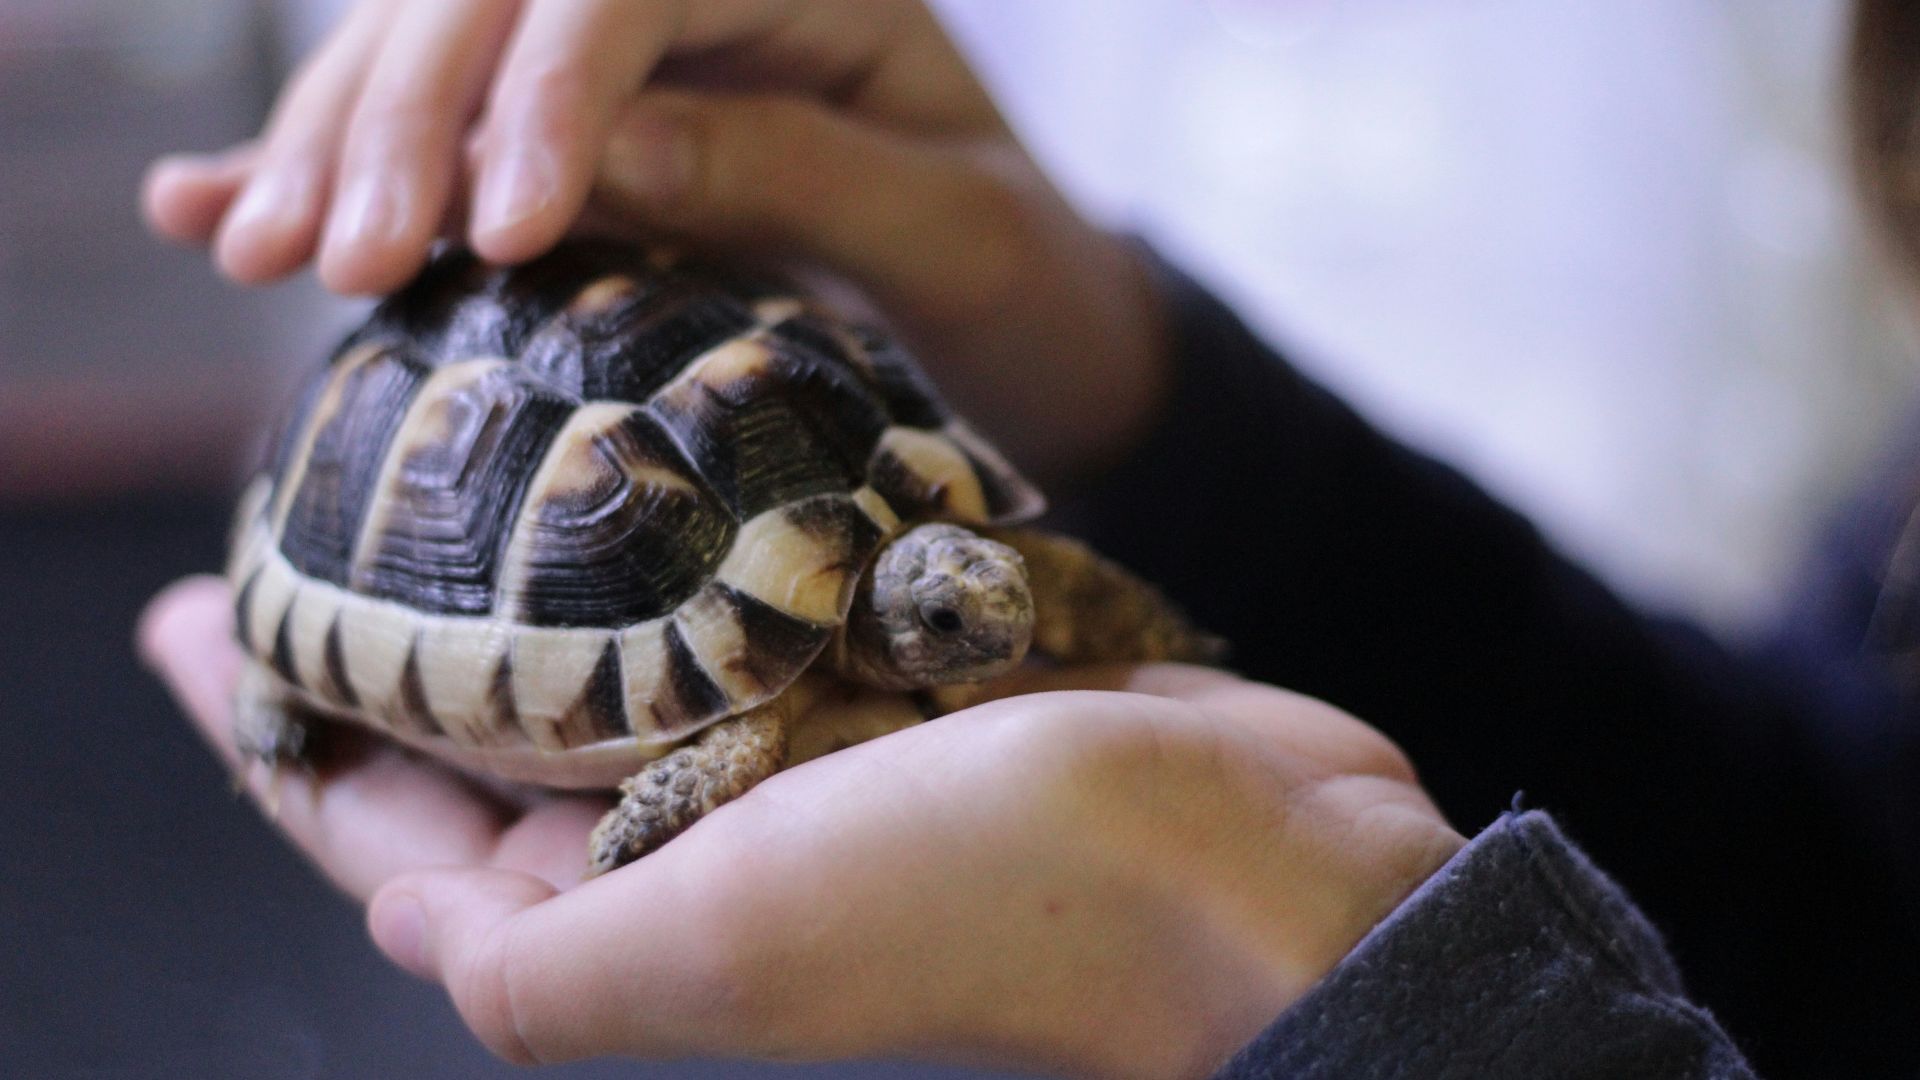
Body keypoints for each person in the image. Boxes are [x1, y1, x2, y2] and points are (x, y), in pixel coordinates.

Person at [136, 1, 1920, 1075]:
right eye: (959, 610)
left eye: (981, 600)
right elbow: (1845, 891)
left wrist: (1360, 997)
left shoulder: (899, 622)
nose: (992, 618)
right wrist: (1134, 388)